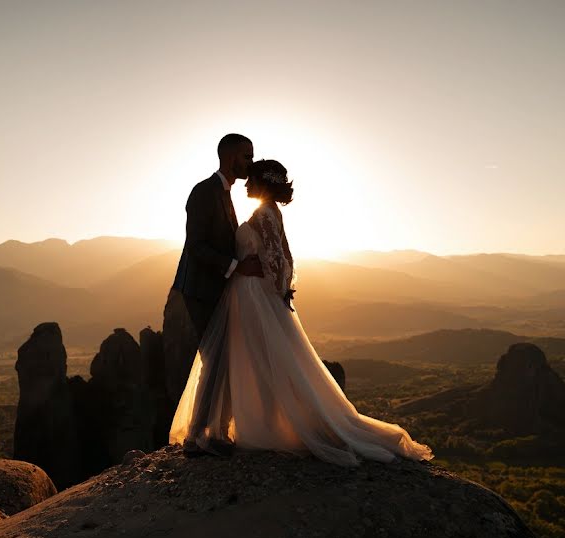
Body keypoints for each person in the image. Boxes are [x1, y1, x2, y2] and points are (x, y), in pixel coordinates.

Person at [169, 159, 433, 466]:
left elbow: (280, 259)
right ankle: (246, 424)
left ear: (263, 183)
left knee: (258, 358)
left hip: (252, 296)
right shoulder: (268, 212)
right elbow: (283, 255)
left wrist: (270, 282)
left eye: (251, 179)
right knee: (250, 359)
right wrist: (275, 285)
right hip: (246, 295)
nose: (246, 184)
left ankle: (259, 426)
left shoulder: (265, 213)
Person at [169, 133, 264, 457]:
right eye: (246, 156)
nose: (250, 162)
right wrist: (236, 267)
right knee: (214, 359)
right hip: (199, 290)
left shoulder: (225, 194)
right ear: (229, 156)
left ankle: (215, 432)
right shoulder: (203, 192)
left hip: (215, 289)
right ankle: (197, 438)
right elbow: (195, 247)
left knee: (221, 359)